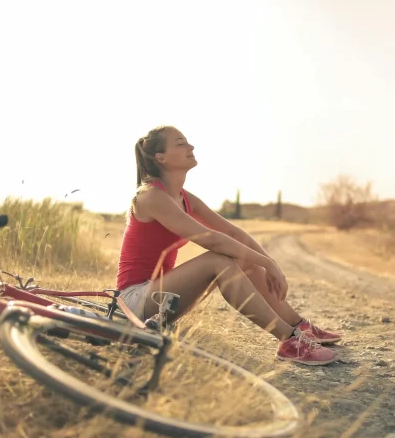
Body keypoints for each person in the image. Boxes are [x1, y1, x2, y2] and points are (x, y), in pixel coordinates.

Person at [116, 125, 342, 366]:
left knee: (247, 261)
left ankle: (299, 326)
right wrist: (267, 263)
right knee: (219, 259)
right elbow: (211, 239)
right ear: (160, 157)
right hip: (133, 302)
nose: (190, 147)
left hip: (163, 299)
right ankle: (288, 340)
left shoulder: (184, 197)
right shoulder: (150, 196)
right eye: (180, 143)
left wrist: (268, 263)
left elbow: (233, 232)